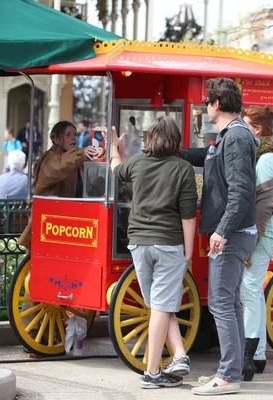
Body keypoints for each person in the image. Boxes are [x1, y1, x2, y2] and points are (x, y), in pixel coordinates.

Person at [110, 117, 197, 389]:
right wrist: (189, 251)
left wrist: (114, 148)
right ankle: (152, 373)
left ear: (149, 138)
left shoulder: (137, 162)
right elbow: (187, 214)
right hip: (169, 244)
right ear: (175, 140)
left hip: (138, 243)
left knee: (159, 304)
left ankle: (180, 356)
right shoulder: (183, 169)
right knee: (161, 304)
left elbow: (116, 169)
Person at [185, 78, 258, 396]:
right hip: (235, 232)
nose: (205, 106)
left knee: (221, 304)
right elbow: (207, 156)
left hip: (233, 233)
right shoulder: (230, 135)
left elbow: (241, 191)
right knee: (230, 303)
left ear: (216, 104)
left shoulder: (238, 136)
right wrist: (174, 149)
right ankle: (235, 369)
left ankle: (228, 376)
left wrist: (222, 231)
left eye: (207, 101)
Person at [237, 106, 273, 380]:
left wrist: (250, 245)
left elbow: (264, 206)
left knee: (250, 291)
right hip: (264, 231)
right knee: (254, 293)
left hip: (262, 232)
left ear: (257, 129)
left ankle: (248, 358)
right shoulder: (265, 156)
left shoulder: (265, 159)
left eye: (246, 125)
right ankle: (258, 355)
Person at [18, 121, 97, 249]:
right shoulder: (50, 158)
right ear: (56, 139)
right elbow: (58, 167)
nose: (73, 138)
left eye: (75, 134)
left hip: (71, 224)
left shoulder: (75, 159)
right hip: (51, 225)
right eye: (68, 134)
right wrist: (80, 154)